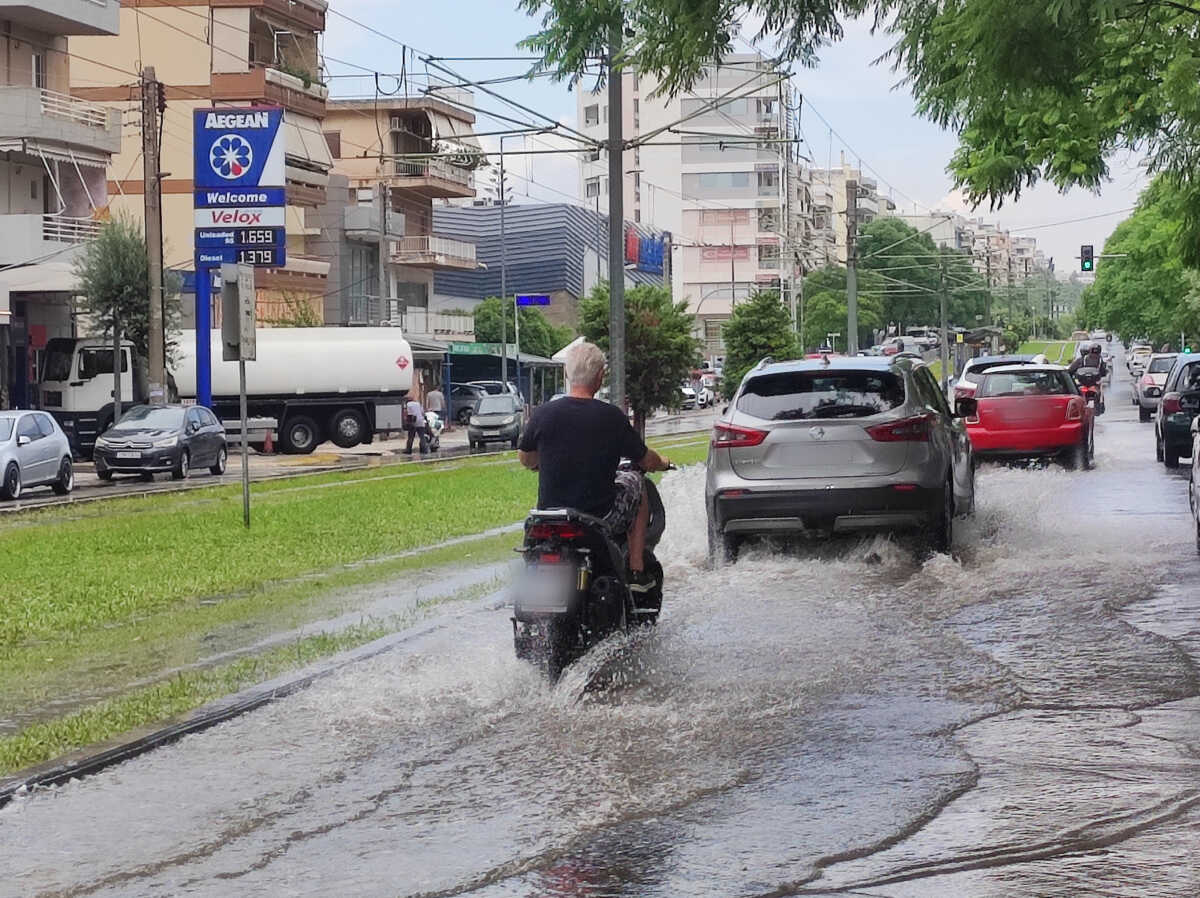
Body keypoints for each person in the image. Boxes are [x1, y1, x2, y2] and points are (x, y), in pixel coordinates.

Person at [517, 341, 672, 593]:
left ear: (567, 374)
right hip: (599, 517)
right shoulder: (611, 416)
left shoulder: (543, 413)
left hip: (550, 515)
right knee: (638, 484)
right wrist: (663, 462)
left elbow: (526, 459)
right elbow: (645, 460)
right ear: (600, 377)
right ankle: (636, 570)